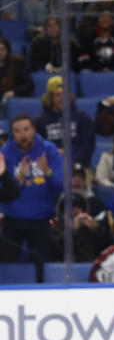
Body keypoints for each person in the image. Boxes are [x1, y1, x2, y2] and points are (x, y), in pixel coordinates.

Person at [0, 114, 63, 282]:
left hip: (41, 220)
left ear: (33, 130)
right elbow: (2, 194)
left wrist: (48, 172)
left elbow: (62, 186)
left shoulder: (48, 150)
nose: (22, 135)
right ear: (12, 133)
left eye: (26, 129)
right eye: (17, 131)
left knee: (42, 268)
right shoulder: (5, 153)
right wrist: (18, 179)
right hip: (12, 221)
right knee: (6, 267)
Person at [33, 75, 95, 166]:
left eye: (64, 94)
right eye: (57, 95)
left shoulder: (82, 117)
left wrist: (72, 161)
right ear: (50, 97)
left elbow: (87, 147)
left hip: (78, 167)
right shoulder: (39, 121)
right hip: (50, 166)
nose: (61, 98)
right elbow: (37, 148)